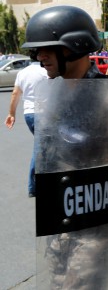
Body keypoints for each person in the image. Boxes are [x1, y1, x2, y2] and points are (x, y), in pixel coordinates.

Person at [22, 5, 108, 289]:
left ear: (72, 47)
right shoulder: (54, 93)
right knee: (57, 283)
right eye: (36, 51)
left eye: (47, 48)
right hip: (63, 214)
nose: (39, 57)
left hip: (98, 218)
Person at [5, 61, 47, 197]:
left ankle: (39, 183)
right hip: (43, 113)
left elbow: (15, 94)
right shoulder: (45, 71)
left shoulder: (22, 73)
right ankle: (33, 186)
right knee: (41, 148)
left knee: (43, 146)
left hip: (28, 114)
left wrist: (11, 113)